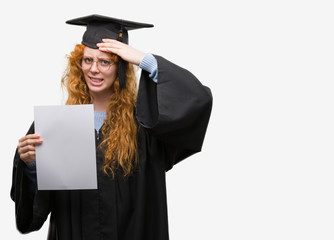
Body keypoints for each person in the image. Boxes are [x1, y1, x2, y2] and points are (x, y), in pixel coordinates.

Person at [11, 14, 213, 240]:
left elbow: (197, 100)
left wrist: (145, 60)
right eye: (88, 60)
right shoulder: (56, 126)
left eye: (105, 61)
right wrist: (30, 165)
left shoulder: (146, 128)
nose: (94, 69)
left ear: (122, 68)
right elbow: (32, 216)